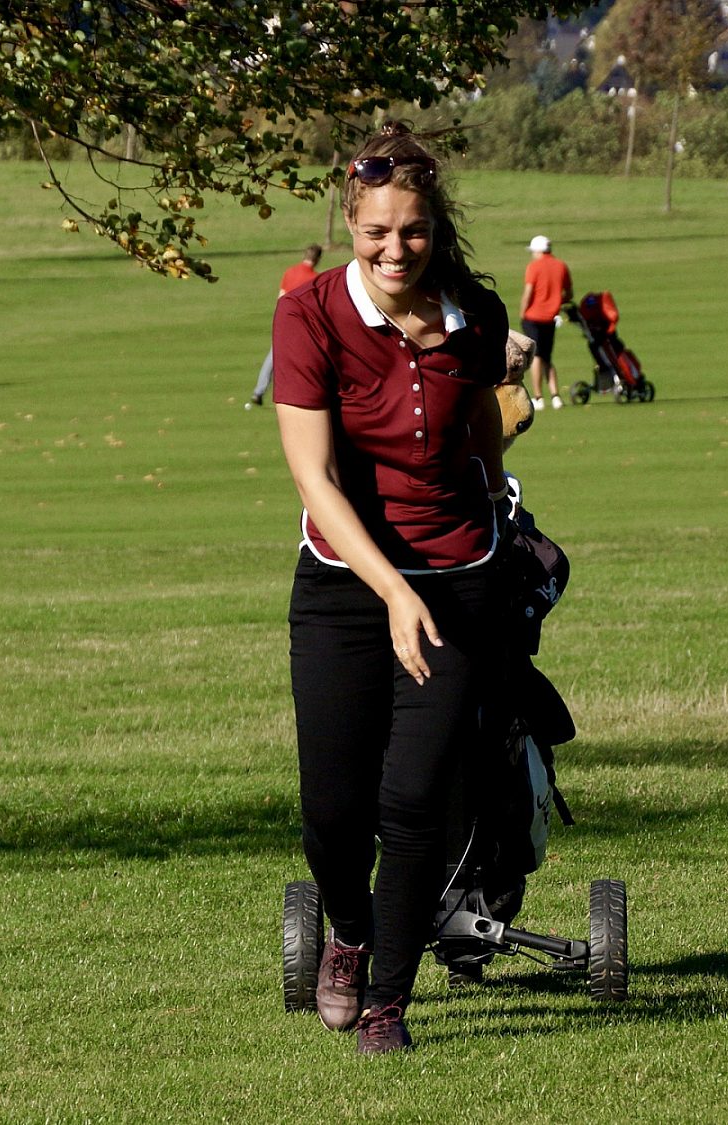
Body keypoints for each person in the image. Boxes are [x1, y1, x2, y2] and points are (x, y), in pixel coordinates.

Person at [271, 122, 510, 1056]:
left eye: (412, 230)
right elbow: (315, 479)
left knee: (412, 803)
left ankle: (386, 1005)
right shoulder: (309, 315)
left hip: (457, 583)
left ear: (435, 227)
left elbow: (479, 423)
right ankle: (350, 928)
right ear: (350, 225)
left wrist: (501, 504)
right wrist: (392, 591)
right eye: (377, 232)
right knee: (333, 811)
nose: (395, 249)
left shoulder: (474, 314)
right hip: (343, 586)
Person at [248, 244, 325, 408]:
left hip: (284, 321)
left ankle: (258, 392)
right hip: (303, 327)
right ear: (318, 259)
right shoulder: (315, 279)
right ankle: (301, 397)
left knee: (273, 357)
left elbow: (281, 297)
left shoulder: (290, 272)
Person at [518, 235, 572, 412]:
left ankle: (538, 397)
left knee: (536, 357)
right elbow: (569, 294)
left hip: (533, 317)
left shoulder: (534, 267)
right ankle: (556, 396)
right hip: (551, 318)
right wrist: (556, 302)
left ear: (538, 251)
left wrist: (522, 313)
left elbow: (528, 293)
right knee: (547, 357)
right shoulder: (561, 266)